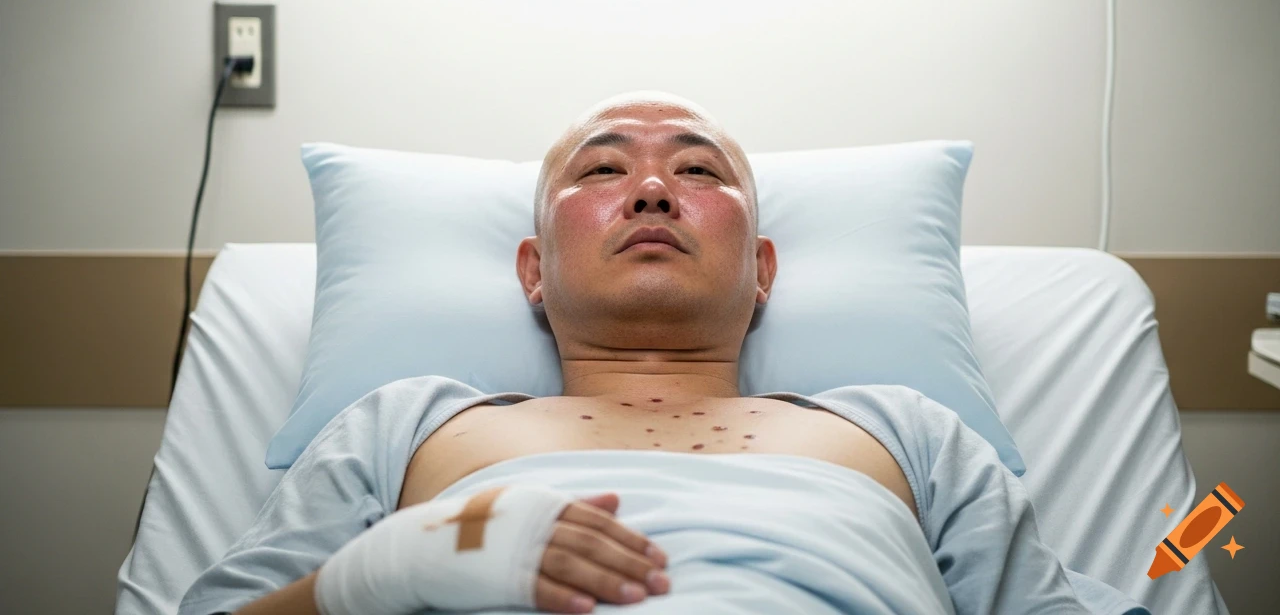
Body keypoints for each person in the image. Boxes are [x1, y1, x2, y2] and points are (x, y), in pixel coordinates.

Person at [179, 91, 1148, 615]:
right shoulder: (406, 423)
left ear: (761, 269)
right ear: (532, 269)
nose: (649, 189)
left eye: (696, 170)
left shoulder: (904, 431)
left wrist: (1210, 529)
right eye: (602, 168)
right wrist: (376, 575)